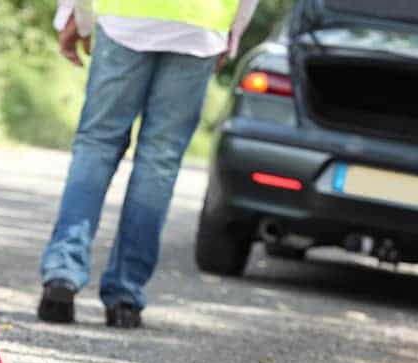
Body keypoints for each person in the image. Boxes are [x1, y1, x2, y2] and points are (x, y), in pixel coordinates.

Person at [39, 0, 259, 328]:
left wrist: (78, 18)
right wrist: (231, 32)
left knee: (97, 145)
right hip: (199, 25)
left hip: (125, 18)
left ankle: (62, 276)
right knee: (159, 160)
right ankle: (125, 297)